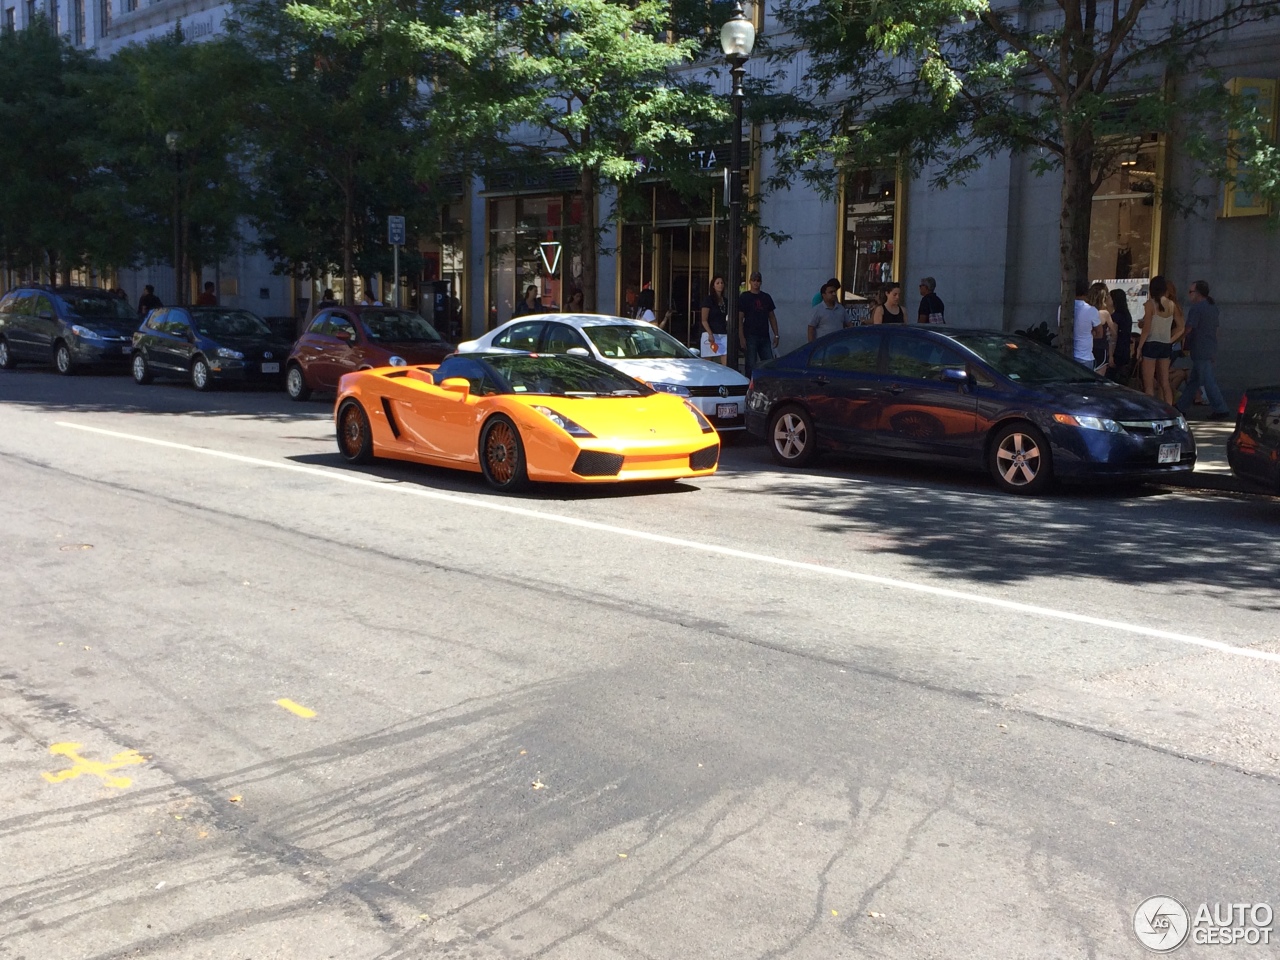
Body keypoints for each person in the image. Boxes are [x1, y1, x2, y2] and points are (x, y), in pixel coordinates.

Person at [1177, 280, 1231, 420]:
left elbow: (1189, 329)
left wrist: (1177, 340)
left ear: (1198, 293)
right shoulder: (1212, 307)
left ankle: (1221, 409)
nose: (1189, 295)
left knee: (1208, 381)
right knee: (1195, 380)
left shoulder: (1197, 308)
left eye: (1191, 292)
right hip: (1207, 347)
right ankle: (1181, 406)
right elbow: (1216, 330)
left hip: (1199, 348)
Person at [1136, 275, 1183, 404]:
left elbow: (1146, 329)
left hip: (1151, 343)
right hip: (1165, 345)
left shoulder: (1150, 304)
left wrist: (1139, 347)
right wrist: (1170, 339)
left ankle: (1151, 410)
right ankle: (1169, 409)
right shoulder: (1172, 304)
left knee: (1149, 383)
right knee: (1165, 382)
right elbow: (1181, 327)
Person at [738, 271, 779, 374]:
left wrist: (776, 334)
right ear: (750, 282)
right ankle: (749, 385)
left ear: (761, 282)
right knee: (751, 364)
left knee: (768, 362)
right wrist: (741, 337)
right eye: (754, 280)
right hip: (750, 335)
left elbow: (772, 317)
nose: (756, 283)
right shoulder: (744, 297)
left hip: (764, 335)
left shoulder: (766, 297)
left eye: (758, 281)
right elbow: (740, 318)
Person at [1060, 278, 1102, 367]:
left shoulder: (1062, 309)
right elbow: (1100, 333)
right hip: (1085, 356)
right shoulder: (1091, 310)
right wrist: (1090, 333)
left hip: (1067, 354)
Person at [1088, 281, 1117, 374]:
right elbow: (1113, 334)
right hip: (1100, 349)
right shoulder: (1104, 313)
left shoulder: (1086, 311)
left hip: (1087, 348)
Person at [700, 275, 729, 363]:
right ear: (713, 286)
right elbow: (704, 320)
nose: (720, 285)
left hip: (722, 333)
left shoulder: (726, 301)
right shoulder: (708, 300)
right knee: (708, 362)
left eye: (721, 283)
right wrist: (710, 333)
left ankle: (724, 376)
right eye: (717, 283)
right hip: (710, 334)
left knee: (726, 358)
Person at [1108, 288, 1134, 374]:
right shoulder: (1127, 315)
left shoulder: (1115, 316)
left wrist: (1110, 355)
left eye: (1109, 297)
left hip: (1117, 351)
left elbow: (1113, 336)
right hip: (1125, 350)